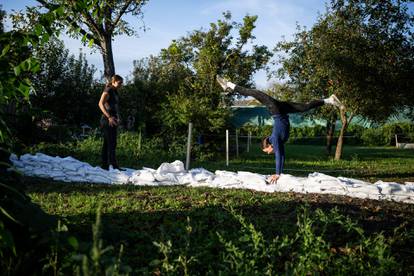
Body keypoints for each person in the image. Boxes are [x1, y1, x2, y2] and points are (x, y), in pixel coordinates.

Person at [216, 75, 344, 184]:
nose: (267, 153)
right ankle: (329, 100)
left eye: (266, 150)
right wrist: (280, 173)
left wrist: (277, 174)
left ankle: (228, 84)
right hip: (282, 110)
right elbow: (282, 155)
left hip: (275, 110)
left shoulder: (274, 139)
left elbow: (278, 155)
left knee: (255, 93)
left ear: (269, 145)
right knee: (304, 107)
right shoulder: (278, 142)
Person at [98, 74, 125, 171]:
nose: (121, 85)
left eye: (122, 83)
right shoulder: (108, 90)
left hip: (113, 119)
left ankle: (105, 165)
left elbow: (114, 106)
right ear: (113, 82)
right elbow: (100, 103)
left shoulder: (115, 91)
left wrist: (118, 117)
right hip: (107, 120)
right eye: (119, 83)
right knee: (111, 142)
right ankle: (113, 165)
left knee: (108, 142)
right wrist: (109, 117)